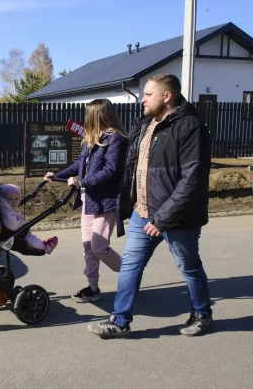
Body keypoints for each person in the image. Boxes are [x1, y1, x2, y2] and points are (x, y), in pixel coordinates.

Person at [87, 74, 213, 338]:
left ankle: (202, 314)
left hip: (178, 218)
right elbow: (133, 169)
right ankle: (120, 321)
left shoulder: (190, 127)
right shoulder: (144, 125)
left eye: (148, 94)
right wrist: (129, 206)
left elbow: (192, 180)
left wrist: (163, 218)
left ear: (167, 96)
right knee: (130, 265)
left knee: (189, 267)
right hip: (141, 213)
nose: (142, 99)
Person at [44, 99, 129, 303]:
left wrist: (81, 182)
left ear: (99, 115)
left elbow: (111, 171)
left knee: (99, 247)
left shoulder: (116, 139)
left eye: (89, 114)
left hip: (105, 201)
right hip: (89, 200)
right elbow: (79, 164)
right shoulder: (92, 137)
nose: (86, 118)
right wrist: (57, 175)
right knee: (88, 247)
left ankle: (130, 273)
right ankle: (93, 288)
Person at [0, 184, 58, 254]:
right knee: (32, 239)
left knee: (32, 238)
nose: (13, 201)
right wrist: (23, 223)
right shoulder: (7, 213)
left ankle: (43, 245)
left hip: (17, 231)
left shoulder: (7, 209)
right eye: (10, 199)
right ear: (3, 200)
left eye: (16, 199)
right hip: (17, 233)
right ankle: (45, 247)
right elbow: (13, 225)